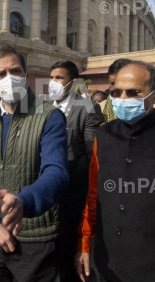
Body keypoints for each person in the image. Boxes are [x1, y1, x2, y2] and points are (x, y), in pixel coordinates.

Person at [76, 61, 155, 282]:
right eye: (117, 92)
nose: (123, 98)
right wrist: (85, 245)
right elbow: (94, 196)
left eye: (133, 93)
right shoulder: (104, 135)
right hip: (106, 259)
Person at [0, 45, 69, 282]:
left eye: (15, 71)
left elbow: (57, 172)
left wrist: (25, 201)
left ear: (26, 74)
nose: (9, 78)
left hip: (35, 239)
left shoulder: (48, 117)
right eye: (1, 74)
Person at [47, 61, 103, 282]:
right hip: (45, 197)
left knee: (68, 257)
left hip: (72, 197)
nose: (53, 82)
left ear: (72, 82)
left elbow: (92, 155)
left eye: (59, 78)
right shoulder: (42, 107)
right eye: (51, 77)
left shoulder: (87, 108)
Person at [99, 58, 131, 123]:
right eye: (112, 83)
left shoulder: (149, 108)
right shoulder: (100, 109)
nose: (115, 88)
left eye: (120, 83)